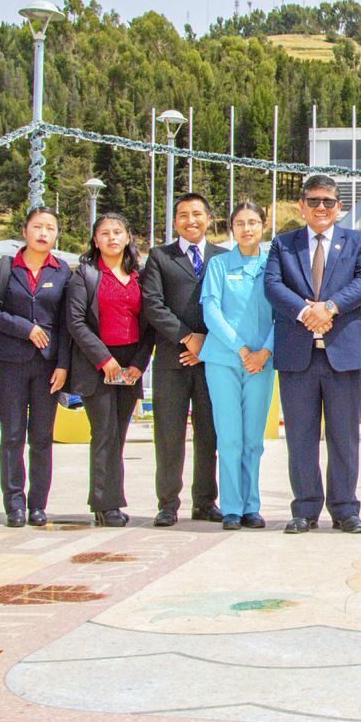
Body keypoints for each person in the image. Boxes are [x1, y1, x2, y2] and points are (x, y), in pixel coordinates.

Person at [264, 174, 361, 535]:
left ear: (339, 207)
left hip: (343, 353)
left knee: (344, 437)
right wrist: (305, 312)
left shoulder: (359, 241)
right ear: (302, 207)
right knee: (300, 437)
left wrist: (328, 307)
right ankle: (305, 509)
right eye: (314, 201)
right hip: (298, 355)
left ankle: (345, 509)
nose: (321, 208)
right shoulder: (283, 244)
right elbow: (272, 285)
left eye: (328, 201)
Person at [0, 206, 72, 528]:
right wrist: (25, 328)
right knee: (12, 436)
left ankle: (38, 506)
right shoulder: (5, 267)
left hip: (48, 367)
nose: (43, 233)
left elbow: (67, 324)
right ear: (25, 231)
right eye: (37, 226)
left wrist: (63, 365)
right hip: (9, 364)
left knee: (42, 438)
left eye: (50, 227)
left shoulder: (62, 272)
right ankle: (14, 505)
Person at [139, 193, 224, 526]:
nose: (192, 220)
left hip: (212, 361)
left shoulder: (222, 256)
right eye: (184, 215)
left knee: (208, 434)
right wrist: (189, 338)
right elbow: (153, 305)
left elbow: (231, 306)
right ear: (175, 221)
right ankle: (167, 503)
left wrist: (208, 343)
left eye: (198, 214)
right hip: (172, 360)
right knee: (169, 434)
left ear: (208, 218)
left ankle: (204, 501)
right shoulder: (160, 257)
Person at [64, 213, 148, 527]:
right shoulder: (84, 275)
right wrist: (104, 359)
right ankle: (103, 503)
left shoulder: (140, 275)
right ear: (95, 240)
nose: (112, 237)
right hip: (95, 364)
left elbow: (148, 324)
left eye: (118, 232)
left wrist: (139, 363)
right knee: (104, 434)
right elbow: (75, 322)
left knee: (119, 435)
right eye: (104, 233)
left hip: (130, 365)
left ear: (127, 238)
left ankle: (113, 500)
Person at [201, 202, 276, 530]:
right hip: (224, 361)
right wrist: (242, 349)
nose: (247, 229)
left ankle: (252, 506)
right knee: (229, 437)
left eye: (253, 222)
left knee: (253, 440)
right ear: (231, 228)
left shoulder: (275, 266)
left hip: (262, 363)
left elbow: (284, 313)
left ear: (264, 226)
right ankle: (231, 507)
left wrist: (265, 351)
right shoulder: (218, 265)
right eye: (240, 223)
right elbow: (211, 311)